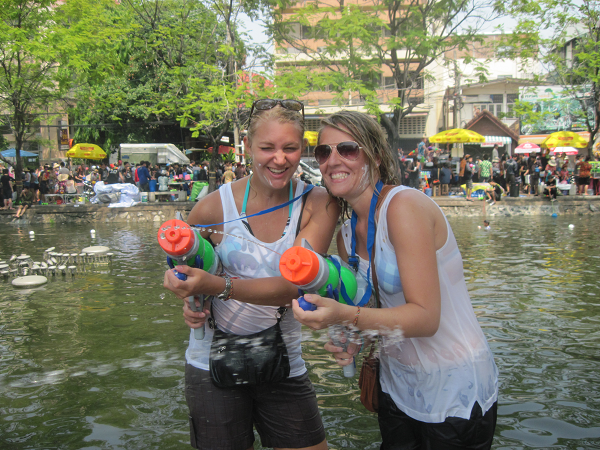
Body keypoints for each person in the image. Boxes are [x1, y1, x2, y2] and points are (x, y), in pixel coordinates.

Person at [292, 111, 498, 450]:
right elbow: (379, 313)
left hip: (453, 391)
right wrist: (352, 336)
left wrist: (344, 316)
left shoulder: (403, 206)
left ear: (374, 154)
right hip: (396, 387)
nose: (333, 160)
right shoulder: (346, 235)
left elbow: (425, 318)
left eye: (347, 149)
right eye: (323, 152)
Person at [163, 99, 339, 450]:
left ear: (301, 149)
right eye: (267, 147)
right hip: (210, 362)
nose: (279, 158)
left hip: (284, 360)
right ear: (247, 147)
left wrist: (218, 286)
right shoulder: (213, 205)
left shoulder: (319, 202)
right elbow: (185, 263)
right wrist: (185, 290)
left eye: (290, 148)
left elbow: (294, 284)